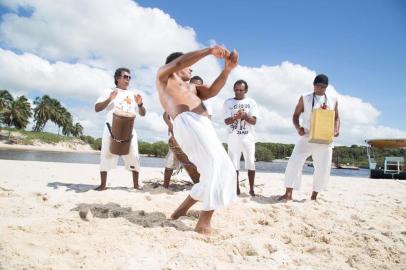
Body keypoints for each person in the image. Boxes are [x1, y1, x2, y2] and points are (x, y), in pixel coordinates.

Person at [156, 45, 238, 234]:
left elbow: (211, 91)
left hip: (203, 125)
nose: (192, 69)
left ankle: (180, 211)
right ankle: (203, 224)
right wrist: (209, 51)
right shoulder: (164, 75)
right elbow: (180, 62)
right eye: (188, 66)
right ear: (176, 65)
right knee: (219, 166)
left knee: (213, 171)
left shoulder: (192, 86)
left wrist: (227, 70)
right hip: (187, 121)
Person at [279, 74, 340, 201]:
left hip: (325, 139)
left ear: (326, 87)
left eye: (323, 87)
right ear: (314, 85)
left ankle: (314, 195)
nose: (320, 88)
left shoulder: (333, 99)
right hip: (307, 136)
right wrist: (298, 128)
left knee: (322, 168)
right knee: (294, 162)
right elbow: (295, 115)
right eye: (318, 86)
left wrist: (336, 129)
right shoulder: (305, 98)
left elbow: (336, 118)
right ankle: (288, 193)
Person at [94, 67, 146, 191]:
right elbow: (97, 108)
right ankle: (103, 185)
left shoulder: (133, 94)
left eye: (129, 77)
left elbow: (143, 113)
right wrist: (109, 99)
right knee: (105, 155)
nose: (128, 79)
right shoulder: (109, 91)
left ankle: (136, 185)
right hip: (111, 128)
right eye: (125, 77)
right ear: (118, 78)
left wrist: (140, 104)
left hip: (129, 129)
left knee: (134, 155)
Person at [162, 76, 207, 189]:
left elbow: (206, 122)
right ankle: (165, 186)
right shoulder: (178, 99)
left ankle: (199, 185)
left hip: (194, 138)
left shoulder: (203, 104)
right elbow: (165, 115)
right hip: (177, 137)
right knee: (171, 161)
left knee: (198, 163)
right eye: (193, 84)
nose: (195, 87)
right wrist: (171, 127)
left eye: (198, 86)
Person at [223, 80, 258, 196]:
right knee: (234, 164)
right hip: (233, 137)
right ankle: (236, 188)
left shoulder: (251, 102)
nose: (238, 92)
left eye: (241, 90)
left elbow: (253, 121)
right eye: (236, 89)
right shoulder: (228, 102)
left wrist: (244, 115)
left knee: (251, 163)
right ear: (234, 89)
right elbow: (226, 121)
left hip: (248, 137)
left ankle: (252, 189)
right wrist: (236, 117)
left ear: (246, 90)